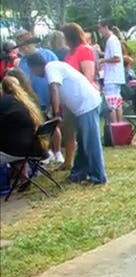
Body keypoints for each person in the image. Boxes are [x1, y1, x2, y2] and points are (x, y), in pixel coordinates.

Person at [25, 53, 107, 185]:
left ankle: (98, 177)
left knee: (91, 142)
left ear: (35, 67)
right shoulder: (54, 68)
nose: (33, 74)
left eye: (32, 70)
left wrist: (56, 113)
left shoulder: (51, 68)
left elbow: (54, 89)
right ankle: (78, 173)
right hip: (81, 107)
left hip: (87, 105)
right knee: (83, 141)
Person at [14, 30, 61, 165]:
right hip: (34, 100)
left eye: (26, 45)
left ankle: (58, 152)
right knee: (39, 127)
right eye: (21, 46)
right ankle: (46, 152)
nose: (24, 48)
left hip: (50, 95)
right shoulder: (22, 62)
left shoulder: (47, 54)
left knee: (54, 124)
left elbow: (57, 73)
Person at [60, 22, 99, 171]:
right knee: (68, 129)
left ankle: (87, 165)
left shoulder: (84, 50)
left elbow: (88, 75)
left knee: (84, 133)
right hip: (71, 99)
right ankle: (69, 161)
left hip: (82, 98)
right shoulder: (70, 53)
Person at [0, 76, 47, 169]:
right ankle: (22, 175)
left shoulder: (4, 102)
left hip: (16, 151)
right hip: (35, 148)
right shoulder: (26, 102)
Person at [98, 19, 125, 125]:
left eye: (100, 28)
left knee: (111, 103)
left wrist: (103, 60)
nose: (99, 31)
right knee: (117, 102)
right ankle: (120, 125)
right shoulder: (112, 40)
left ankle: (114, 125)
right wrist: (101, 54)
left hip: (112, 76)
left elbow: (116, 58)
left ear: (106, 27)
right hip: (116, 76)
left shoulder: (112, 40)